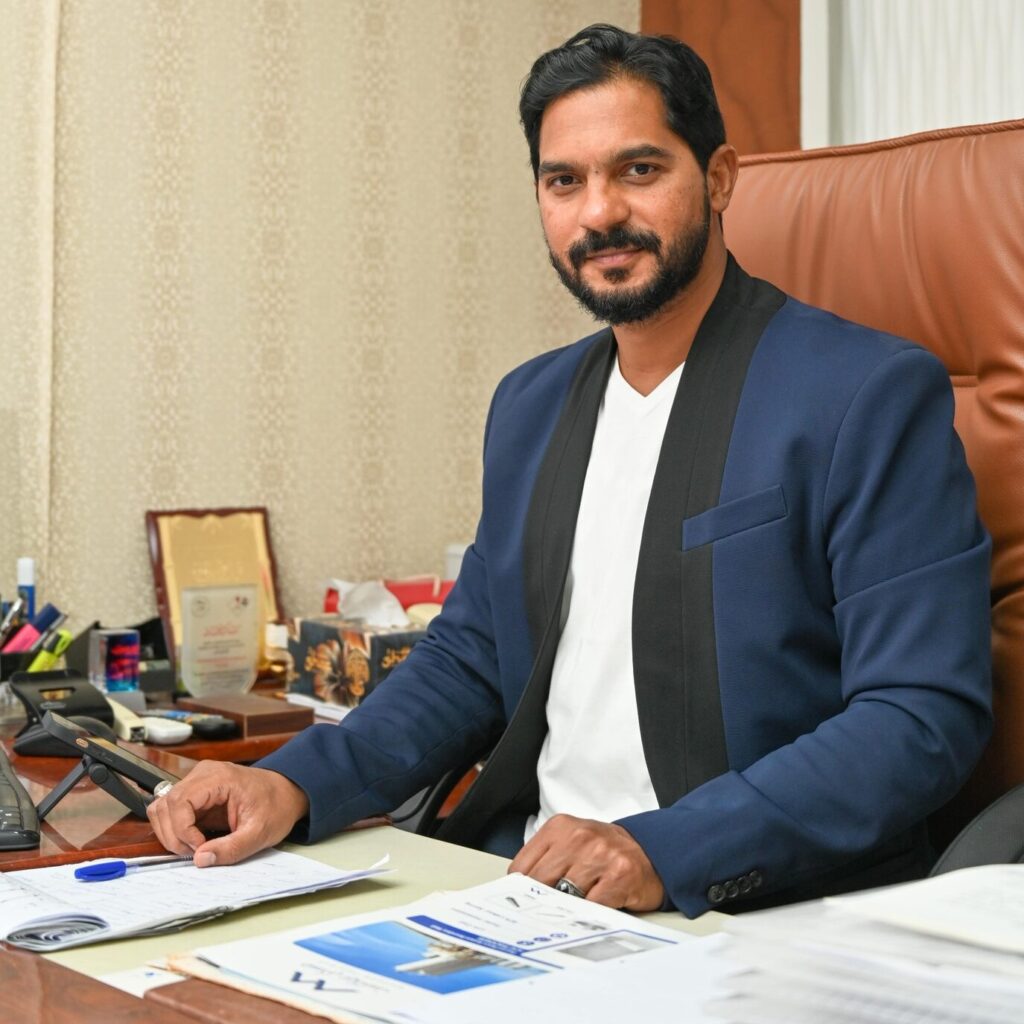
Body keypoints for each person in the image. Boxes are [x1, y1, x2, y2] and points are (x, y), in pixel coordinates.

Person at [148, 24, 992, 917]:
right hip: (526, 895)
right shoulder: (531, 404)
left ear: (718, 178)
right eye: (564, 182)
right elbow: (472, 659)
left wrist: (665, 848)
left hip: (746, 908)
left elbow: (919, 716)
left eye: (639, 170)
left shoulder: (865, 394)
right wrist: (296, 782)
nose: (598, 214)